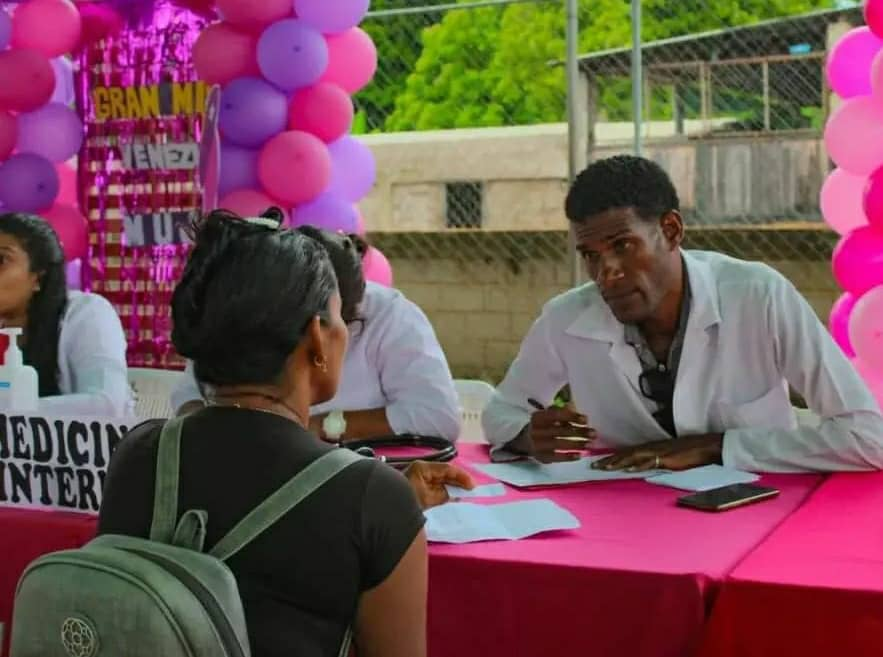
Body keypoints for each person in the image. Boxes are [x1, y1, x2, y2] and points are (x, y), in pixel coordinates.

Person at [99, 210, 472, 657]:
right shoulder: (373, 499)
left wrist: (380, 501)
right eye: (339, 319)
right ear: (317, 338)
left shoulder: (140, 453)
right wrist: (384, 507)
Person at [482, 155, 883, 472]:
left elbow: (869, 437)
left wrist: (715, 447)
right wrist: (526, 437)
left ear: (672, 230)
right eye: (591, 255)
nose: (607, 273)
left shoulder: (757, 295)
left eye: (623, 246)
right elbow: (500, 412)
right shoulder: (565, 318)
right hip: (623, 524)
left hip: (757, 521)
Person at [171, 226, 462, 443]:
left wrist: (315, 429)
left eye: (340, 320)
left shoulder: (389, 314)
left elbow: (438, 417)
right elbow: (189, 392)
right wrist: (209, 439)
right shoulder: (253, 306)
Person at [0, 212, 131, 416]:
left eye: (1, 260)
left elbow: (107, 404)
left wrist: (12, 413)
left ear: (39, 276)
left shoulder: (88, 313)